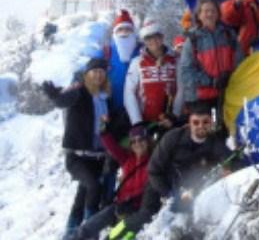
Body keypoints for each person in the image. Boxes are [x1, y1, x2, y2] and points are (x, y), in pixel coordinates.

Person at [108, 101, 241, 238]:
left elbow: (233, 162)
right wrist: (168, 194)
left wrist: (231, 169)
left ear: (211, 123)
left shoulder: (215, 143)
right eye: (196, 122)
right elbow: (153, 170)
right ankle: (112, 236)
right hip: (159, 185)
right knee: (145, 217)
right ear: (189, 123)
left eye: (205, 122)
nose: (200, 126)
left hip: (188, 191)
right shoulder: (173, 138)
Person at [42, 58, 110, 238]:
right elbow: (63, 100)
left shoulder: (104, 98)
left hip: (97, 157)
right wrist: (55, 96)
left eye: (102, 72)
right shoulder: (79, 90)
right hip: (77, 157)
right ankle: (89, 232)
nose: (98, 74)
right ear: (87, 74)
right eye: (94, 71)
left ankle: (70, 232)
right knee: (94, 187)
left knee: (82, 194)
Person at [74, 123, 151, 240]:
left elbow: (149, 190)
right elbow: (113, 148)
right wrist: (104, 132)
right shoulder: (128, 160)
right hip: (118, 207)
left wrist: (130, 201)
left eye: (141, 140)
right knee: (87, 227)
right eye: (133, 141)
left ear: (147, 141)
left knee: (113, 237)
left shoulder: (154, 163)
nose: (137, 144)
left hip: (136, 211)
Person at [180, 0, 241, 116]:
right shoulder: (193, 39)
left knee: (226, 131)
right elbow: (186, 72)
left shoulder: (228, 34)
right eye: (205, 11)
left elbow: (239, 61)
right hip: (201, 98)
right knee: (207, 131)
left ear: (218, 14)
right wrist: (211, 81)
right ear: (198, 15)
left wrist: (230, 77)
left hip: (226, 93)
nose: (210, 14)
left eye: (213, 10)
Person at [123, 17, 182, 128]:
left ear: (162, 37)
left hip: (169, 120)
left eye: (157, 36)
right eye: (148, 38)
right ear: (144, 41)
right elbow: (129, 93)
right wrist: (137, 122)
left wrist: (174, 115)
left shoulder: (175, 60)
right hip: (145, 121)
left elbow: (181, 88)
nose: (153, 41)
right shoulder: (137, 62)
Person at [105, 10, 141, 128]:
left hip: (139, 110)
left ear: (133, 32)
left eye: (128, 29)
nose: (124, 33)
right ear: (114, 33)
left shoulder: (143, 51)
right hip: (113, 110)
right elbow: (90, 67)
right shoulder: (107, 52)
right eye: (120, 29)